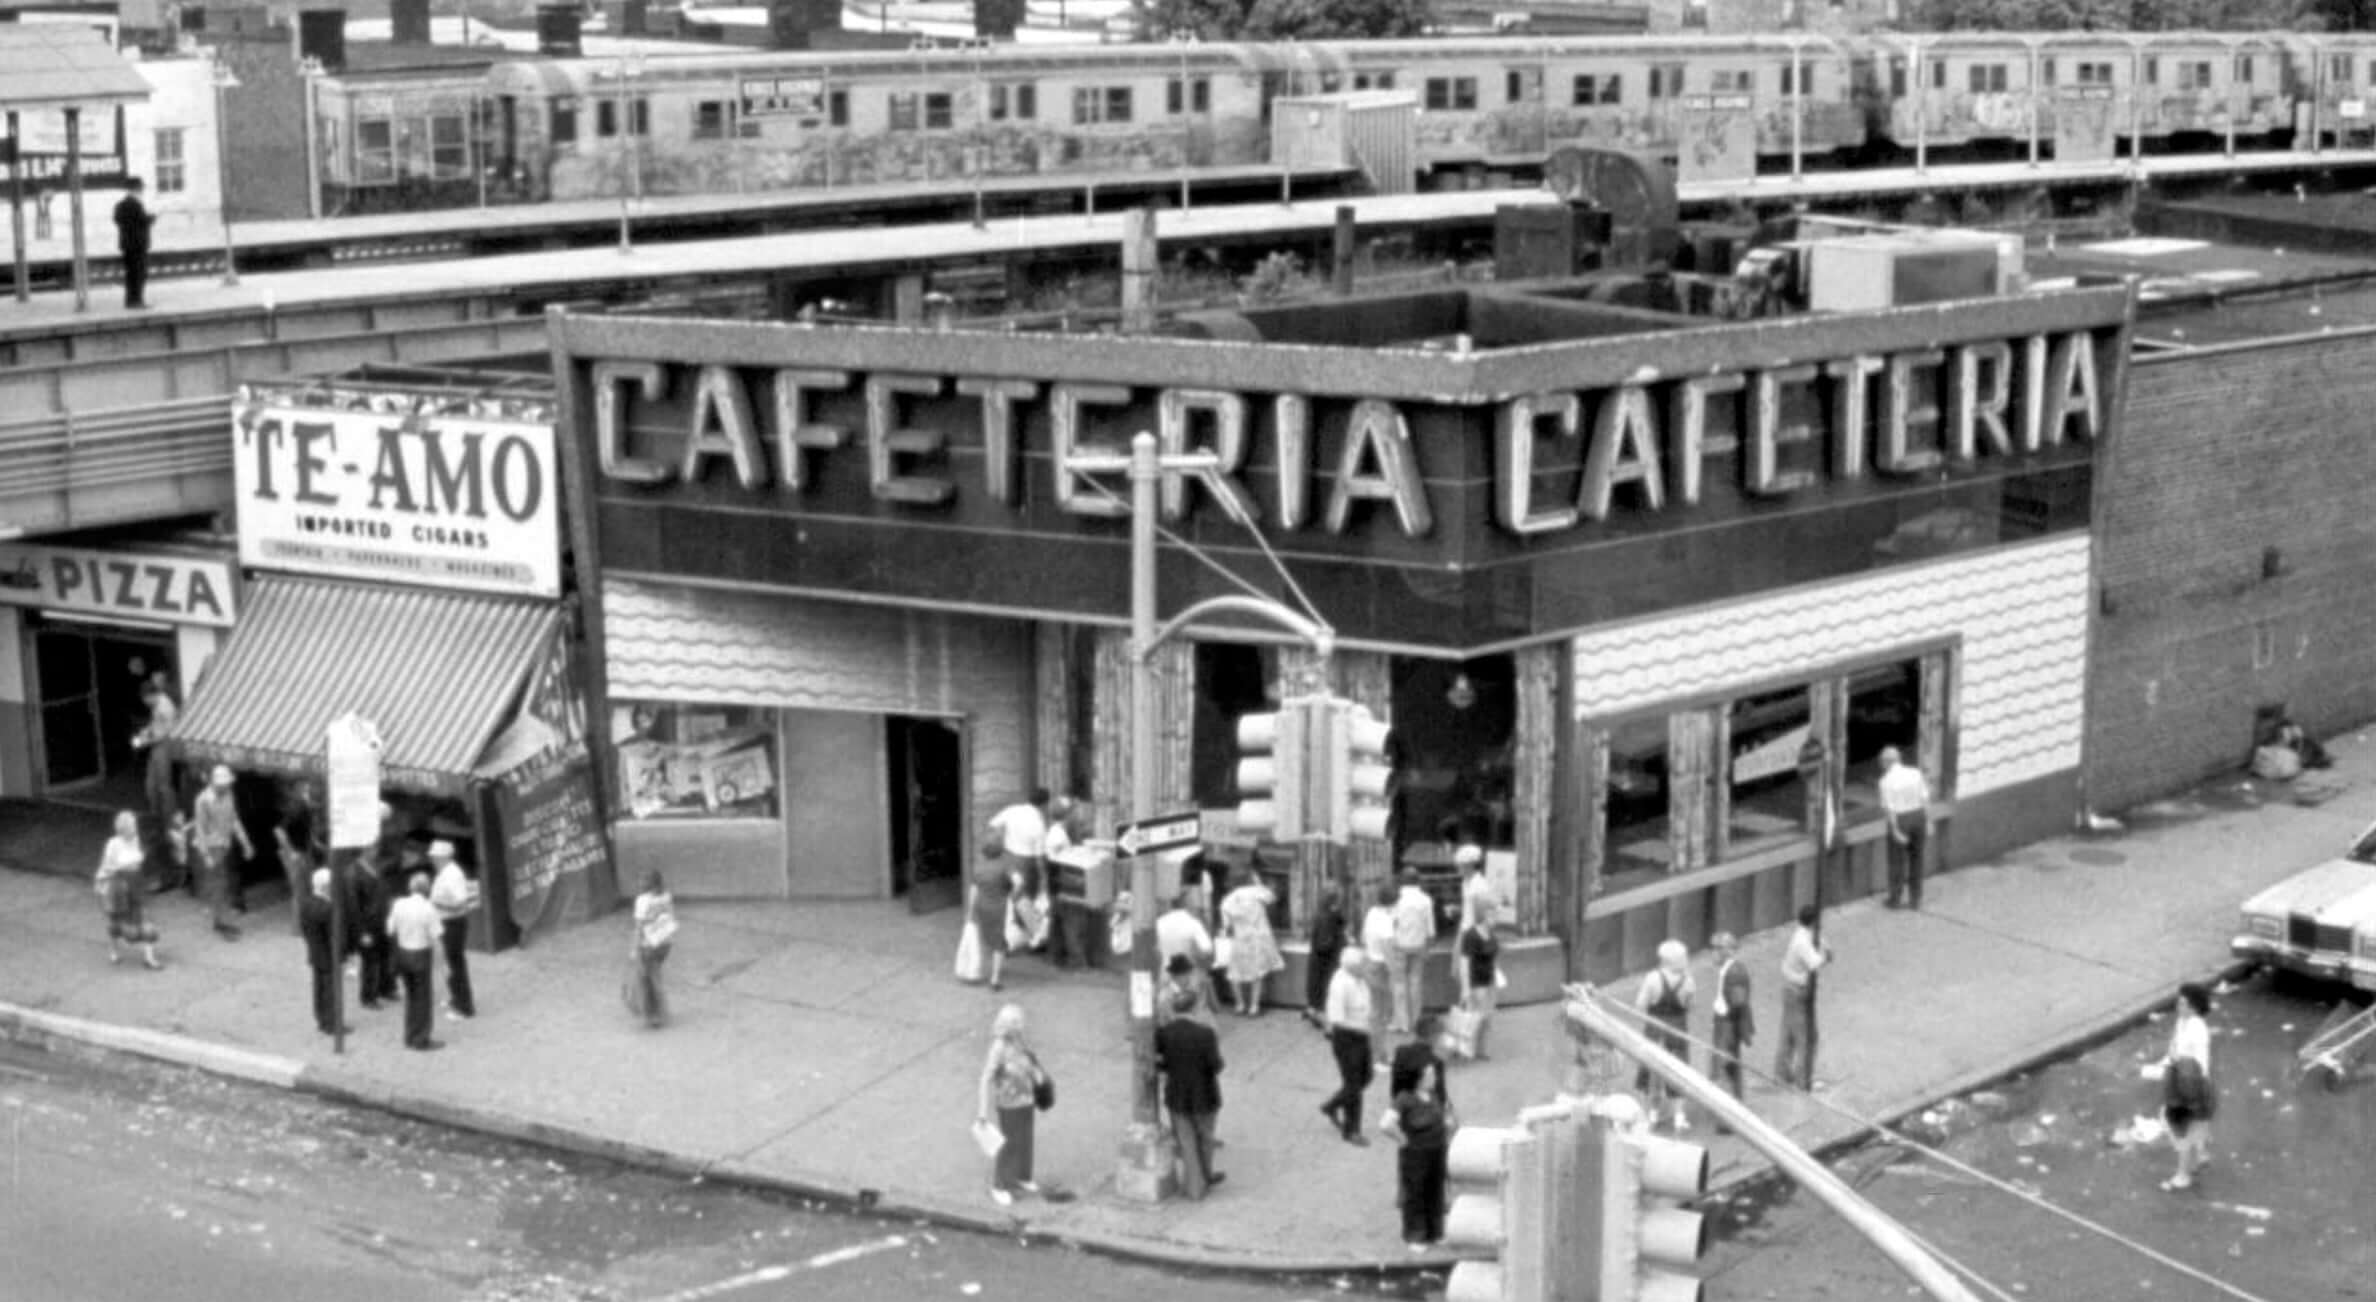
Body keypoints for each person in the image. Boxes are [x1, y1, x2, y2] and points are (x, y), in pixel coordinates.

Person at [975, 1003, 1050, 1206]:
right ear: (1007, 1024)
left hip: (1026, 1098)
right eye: (1017, 1022)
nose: (1022, 1025)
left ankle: (1022, 1176)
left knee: (1025, 1139)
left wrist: (1037, 1076)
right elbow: (986, 1078)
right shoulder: (998, 1047)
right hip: (1008, 1101)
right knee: (1007, 1143)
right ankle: (999, 1184)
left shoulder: (1020, 1041)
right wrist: (982, 1111)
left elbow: (1029, 1060)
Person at [1155, 987, 1226, 1198]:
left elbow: (1161, 1062)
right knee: (1205, 1138)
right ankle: (1203, 1179)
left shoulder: (1164, 1033)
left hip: (1177, 1094)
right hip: (1205, 1094)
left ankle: (1195, 1185)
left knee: (1186, 1141)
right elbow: (1217, 1065)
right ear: (1195, 1008)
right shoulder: (1206, 1034)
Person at [2157, 982, 2217, 1192]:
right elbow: (2174, 1052)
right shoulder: (2182, 1023)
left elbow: (2192, 1065)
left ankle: (2183, 1174)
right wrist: (2165, 1064)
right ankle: (2201, 1153)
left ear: (2194, 1007)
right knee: (2194, 1127)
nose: (2177, 1007)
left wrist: (2171, 1070)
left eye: (2182, 1003)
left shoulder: (2197, 1030)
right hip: (2187, 1083)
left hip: (2190, 1088)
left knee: (2181, 1130)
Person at [1636, 939, 1695, 1131]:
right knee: (1678, 1070)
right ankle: (1679, 1116)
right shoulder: (1688, 981)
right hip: (1677, 1029)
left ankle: (1651, 1114)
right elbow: (1690, 1006)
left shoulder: (1653, 978)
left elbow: (1640, 1004)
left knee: (1651, 1070)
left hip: (1655, 1028)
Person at [1391, 1065, 1452, 1251]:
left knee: (1435, 1190)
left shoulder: (1434, 1096)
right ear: (1418, 1079)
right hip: (1415, 1153)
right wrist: (1402, 1140)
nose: (1434, 1077)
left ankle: (1435, 1231)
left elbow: (1445, 1117)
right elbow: (1386, 1123)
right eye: (1430, 1075)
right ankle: (1414, 1235)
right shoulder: (1404, 1099)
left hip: (1436, 1150)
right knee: (1415, 1192)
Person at [1319, 948, 1376, 1146]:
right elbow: (1337, 1020)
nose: (1367, 967)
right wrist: (1365, 1029)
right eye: (1363, 965)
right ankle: (1351, 1130)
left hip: (1361, 1035)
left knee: (1366, 1076)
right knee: (1353, 1086)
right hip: (1347, 1039)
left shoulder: (1358, 979)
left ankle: (1333, 1104)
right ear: (1353, 967)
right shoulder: (1340, 985)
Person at [189, 765, 251, 941]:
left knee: (222, 884)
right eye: (224, 784)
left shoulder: (228, 795)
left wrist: (245, 842)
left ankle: (221, 921)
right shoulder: (203, 800)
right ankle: (222, 923)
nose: (227, 786)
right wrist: (206, 854)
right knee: (218, 886)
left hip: (223, 845)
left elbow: (233, 819)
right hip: (211, 846)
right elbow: (199, 828)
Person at [95, 810, 162, 970]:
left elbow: (138, 860)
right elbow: (108, 866)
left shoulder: (136, 840)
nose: (135, 828)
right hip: (120, 886)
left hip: (136, 883)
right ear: (123, 829)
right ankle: (114, 949)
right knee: (117, 920)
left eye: (134, 825)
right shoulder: (113, 844)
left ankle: (149, 957)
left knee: (144, 916)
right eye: (132, 826)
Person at [1776, 905, 1830, 1090]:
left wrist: (1823, 946)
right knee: (1807, 1037)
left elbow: (1821, 945)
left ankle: (1782, 1073)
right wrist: (1825, 954)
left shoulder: (1802, 935)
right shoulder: (1802, 942)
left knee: (1788, 1033)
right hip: (1798, 991)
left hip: (1790, 989)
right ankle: (1803, 1080)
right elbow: (1816, 963)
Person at [387, 872, 443, 1051]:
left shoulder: (399, 904)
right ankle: (421, 1038)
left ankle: (410, 1034)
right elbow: (436, 937)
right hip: (420, 953)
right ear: (426, 889)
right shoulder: (429, 908)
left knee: (410, 995)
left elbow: (390, 929)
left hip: (403, 953)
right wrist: (443, 964)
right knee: (423, 997)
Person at [1218, 867, 1284, 1016]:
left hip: (1239, 939)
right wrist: (1259, 882)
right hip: (1258, 938)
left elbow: (1226, 925)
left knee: (1234, 973)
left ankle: (1240, 1005)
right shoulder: (1257, 892)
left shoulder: (1228, 899)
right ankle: (1254, 1007)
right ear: (1251, 879)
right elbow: (1272, 897)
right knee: (1257, 973)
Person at [427, 841, 479, 1020]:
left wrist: (436, 904)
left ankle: (464, 1006)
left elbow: (460, 902)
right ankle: (456, 998)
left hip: (452, 924)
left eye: (435, 856)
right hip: (447, 923)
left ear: (443, 857)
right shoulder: (446, 873)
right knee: (449, 962)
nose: (432, 859)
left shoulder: (452, 875)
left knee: (455, 964)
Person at [1707, 931, 1755, 1127]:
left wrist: (1730, 1025)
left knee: (1725, 1066)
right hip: (1724, 1021)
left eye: (1715, 950)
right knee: (1725, 1065)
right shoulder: (1727, 970)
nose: (1712, 955)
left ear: (1724, 952)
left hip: (1727, 1024)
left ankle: (1727, 1119)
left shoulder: (1734, 973)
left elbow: (1738, 1001)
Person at [1877, 747, 1932, 910]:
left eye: (1882, 761)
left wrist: (1894, 830)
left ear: (1887, 762)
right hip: (1918, 816)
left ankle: (1895, 898)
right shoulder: (1915, 773)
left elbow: (1889, 809)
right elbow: (1925, 798)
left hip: (1901, 819)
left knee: (1897, 861)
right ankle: (1916, 898)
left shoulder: (1885, 781)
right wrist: (1928, 821)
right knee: (1917, 858)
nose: (1881, 764)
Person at [298, 868, 348, 1037]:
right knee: (331, 991)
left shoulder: (306, 903)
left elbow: (304, 929)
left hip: (315, 952)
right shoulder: (328, 908)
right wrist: (342, 955)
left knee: (319, 989)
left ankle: (322, 1019)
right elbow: (334, 936)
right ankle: (332, 1024)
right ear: (325, 886)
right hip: (329, 955)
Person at [1390, 870, 1438, 1036]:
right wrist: (1429, 946)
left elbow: (1392, 923)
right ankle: (1416, 1019)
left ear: (1403, 880)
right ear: (1418, 881)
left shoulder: (1396, 899)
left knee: (1398, 983)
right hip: (1418, 944)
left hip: (1399, 945)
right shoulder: (1425, 900)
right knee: (1415, 982)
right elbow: (1430, 927)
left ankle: (1401, 1022)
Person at [629, 870, 676, 1029]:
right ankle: (656, 1012)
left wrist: (634, 949)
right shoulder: (666, 896)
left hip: (648, 945)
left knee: (649, 979)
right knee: (652, 975)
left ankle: (655, 1014)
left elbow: (639, 927)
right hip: (665, 943)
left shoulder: (642, 900)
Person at [1454, 904, 1501, 1060]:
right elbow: (1464, 962)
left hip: (1490, 980)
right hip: (1476, 981)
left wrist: (1497, 975)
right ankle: (1466, 1048)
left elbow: (1494, 958)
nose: (1495, 919)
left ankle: (1482, 1049)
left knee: (1487, 1016)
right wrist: (1466, 987)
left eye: (1495, 915)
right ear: (1482, 916)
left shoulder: (1492, 934)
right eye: (1491, 916)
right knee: (1474, 1017)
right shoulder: (1471, 935)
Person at [275, 784, 321, 938]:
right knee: (299, 892)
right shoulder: (298, 809)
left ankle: (304, 925)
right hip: (298, 855)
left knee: (305, 890)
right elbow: (279, 831)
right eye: (309, 791)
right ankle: (298, 929)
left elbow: (306, 832)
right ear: (304, 792)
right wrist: (291, 851)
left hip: (305, 853)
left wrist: (316, 844)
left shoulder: (305, 808)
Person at [1360, 884, 1399, 1061]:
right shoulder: (1385, 921)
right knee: (1381, 1014)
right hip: (1380, 967)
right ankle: (1379, 1055)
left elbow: (1362, 937)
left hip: (1369, 961)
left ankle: (1374, 1050)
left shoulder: (1371, 913)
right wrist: (1395, 971)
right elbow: (1388, 948)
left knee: (1375, 1012)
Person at [969, 849, 1015, 992]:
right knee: (998, 943)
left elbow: (974, 890)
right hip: (998, 908)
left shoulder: (978, 868)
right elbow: (1012, 885)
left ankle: (978, 970)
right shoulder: (1003, 868)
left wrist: (971, 911)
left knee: (986, 939)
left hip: (981, 906)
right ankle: (995, 979)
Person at [1303, 887, 1347, 1033]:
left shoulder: (1324, 914)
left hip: (1320, 961)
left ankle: (1314, 1013)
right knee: (1325, 991)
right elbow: (1324, 944)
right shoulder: (1327, 918)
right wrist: (1341, 940)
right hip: (1326, 963)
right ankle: (1327, 1025)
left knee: (1318, 990)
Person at [113, 178, 155, 310]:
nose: (142, 191)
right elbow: (142, 221)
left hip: (126, 244)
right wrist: (152, 218)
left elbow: (117, 220)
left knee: (130, 274)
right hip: (138, 244)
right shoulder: (136, 205)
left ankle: (129, 300)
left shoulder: (119, 205)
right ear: (135, 189)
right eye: (140, 188)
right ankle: (137, 301)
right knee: (139, 274)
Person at [1454, 843, 1492, 935]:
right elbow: (1469, 912)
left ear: (1469, 866)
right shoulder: (1466, 883)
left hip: (1474, 936)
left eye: (1459, 865)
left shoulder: (1479, 885)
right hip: (1466, 931)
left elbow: (1480, 918)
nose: (1457, 868)